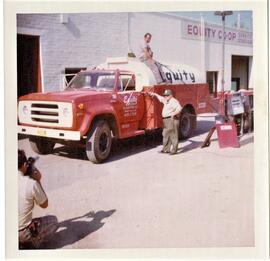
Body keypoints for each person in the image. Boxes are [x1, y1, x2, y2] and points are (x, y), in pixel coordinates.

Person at [18, 149, 58, 249]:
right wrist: (37, 180)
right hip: (22, 231)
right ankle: (32, 243)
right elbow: (44, 204)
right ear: (24, 165)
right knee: (53, 221)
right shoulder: (30, 183)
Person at [149, 89, 182, 155]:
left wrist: (174, 113)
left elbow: (179, 108)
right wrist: (154, 94)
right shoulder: (166, 100)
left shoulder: (174, 101)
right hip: (166, 120)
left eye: (167, 95)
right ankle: (166, 149)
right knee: (165, 134)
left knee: (173, 135)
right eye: (165, 95)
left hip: (172, 119)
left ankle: (174, 150)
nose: (165, 96)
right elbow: (160, 98)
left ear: (171, 95)